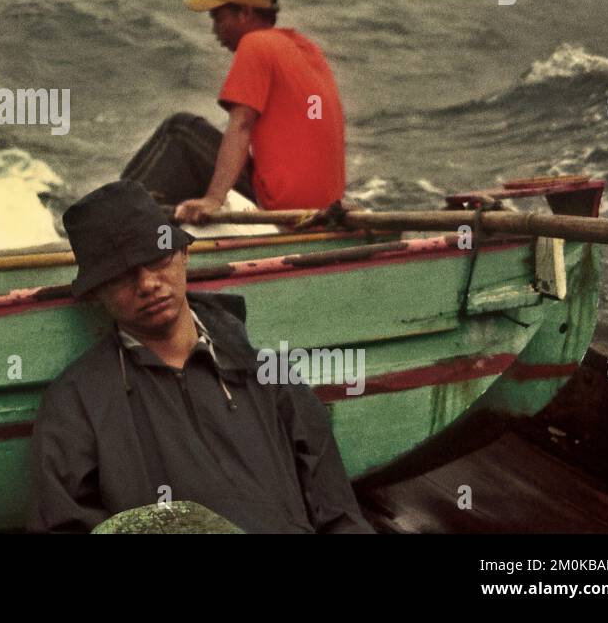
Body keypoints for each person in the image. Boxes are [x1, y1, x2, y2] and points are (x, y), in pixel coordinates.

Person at [27, 180, 372, 534]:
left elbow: (339, 513)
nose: (147, 284)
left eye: (156, 259)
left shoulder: (269, 375)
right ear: (95, 293)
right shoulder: (75, 401)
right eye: (120, 276)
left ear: (183, 254)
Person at [121, 0, 345, 222]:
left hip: (280, 203)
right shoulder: (306, 48)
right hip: (321, 205)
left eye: (218, 18)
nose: (215, 30)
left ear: (245, 13)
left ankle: (118, 214)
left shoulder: (256, 44)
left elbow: (241, 124)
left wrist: (214, 199)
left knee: (179, 129)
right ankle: (164, 217)